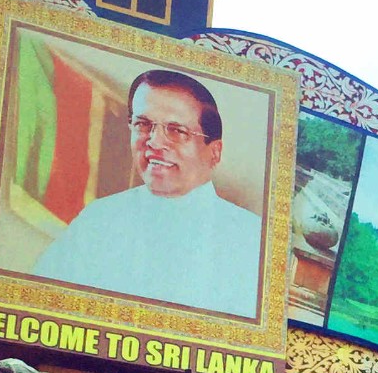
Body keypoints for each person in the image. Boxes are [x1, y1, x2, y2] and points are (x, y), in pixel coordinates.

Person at [33, 68, 262, 318]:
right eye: (143, 124)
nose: (154, 142)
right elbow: (39, 302)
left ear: (214, 152)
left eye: (176, 130)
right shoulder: (99, 218)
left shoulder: (251, 239)